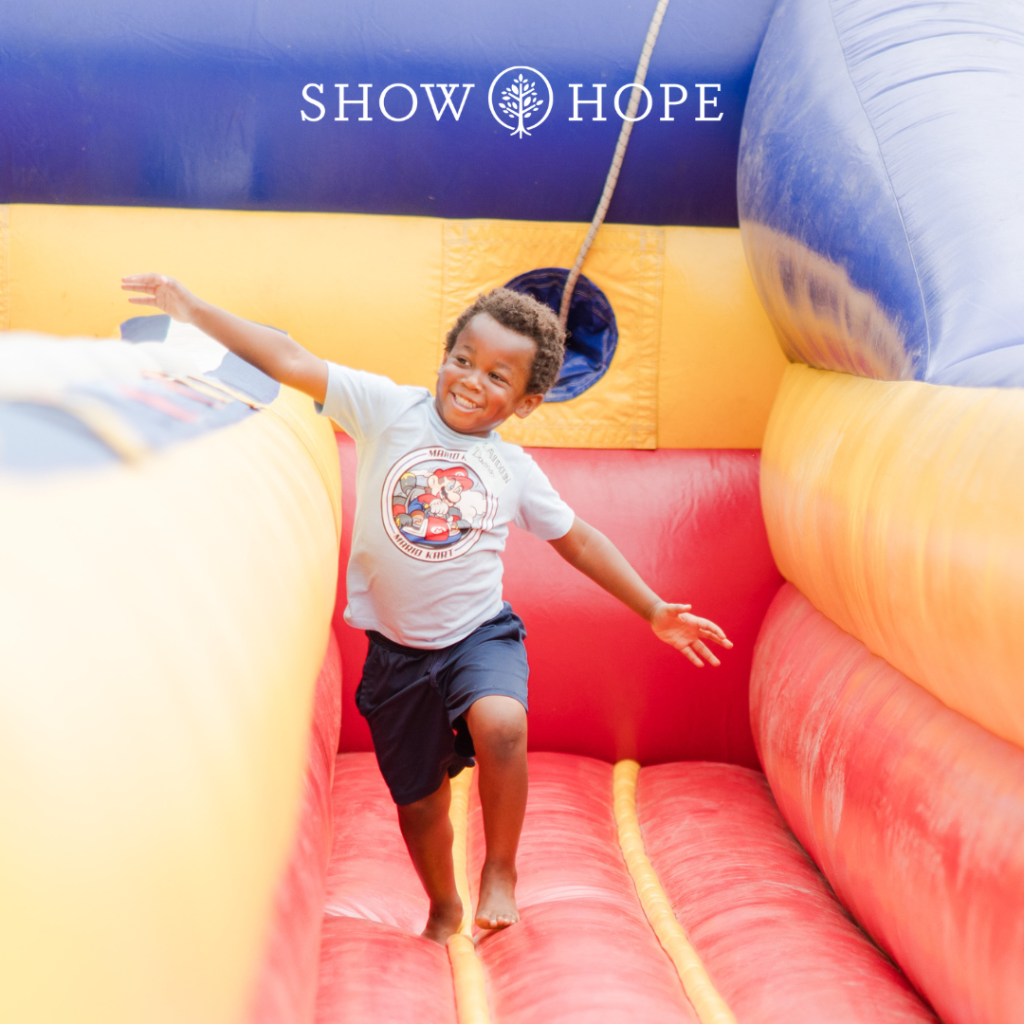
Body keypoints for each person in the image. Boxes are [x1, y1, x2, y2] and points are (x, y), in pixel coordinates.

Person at [120, 273, 733, 944]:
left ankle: (501, 868)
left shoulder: (513, 470)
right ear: (445, 355)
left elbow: (579, 540)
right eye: (463, 359)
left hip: (478, 636)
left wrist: (652, 609)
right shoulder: (388, 409)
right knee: (419, 805)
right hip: (397, 657)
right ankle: (444, 901)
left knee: (502, 726)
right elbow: (291, 358)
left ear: (526, 403)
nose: (472, 380)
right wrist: (194, 309)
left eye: (498, 377)